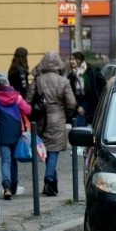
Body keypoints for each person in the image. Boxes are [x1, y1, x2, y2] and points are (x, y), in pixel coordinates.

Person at [28, 51, 77, 196]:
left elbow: (28, 99)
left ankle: (51, 185)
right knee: (54, 150)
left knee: (47, 149)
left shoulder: (38, 80)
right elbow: (72, 103)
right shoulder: (63, 81)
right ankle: (49, 177)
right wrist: (66, 114)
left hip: (43, 119)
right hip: (58, 117)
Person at [0, 72, 31, 200]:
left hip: (2, 133)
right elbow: (28, 110)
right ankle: (14, 186)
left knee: (6, 160)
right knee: (14, 160)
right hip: (16, 132)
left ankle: (6, 187)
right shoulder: (17, 97)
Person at [67, 51, 106, 126]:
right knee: (80, 122)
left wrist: (101, 97)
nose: (71, 61)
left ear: (79, 60)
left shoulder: (92, 71)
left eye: (73, 59)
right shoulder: (71, 75)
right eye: (70, 59)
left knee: (95, 124)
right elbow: (71, 93)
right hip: (80, 102)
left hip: (92, 102)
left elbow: (103, 83)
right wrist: (78, 106)